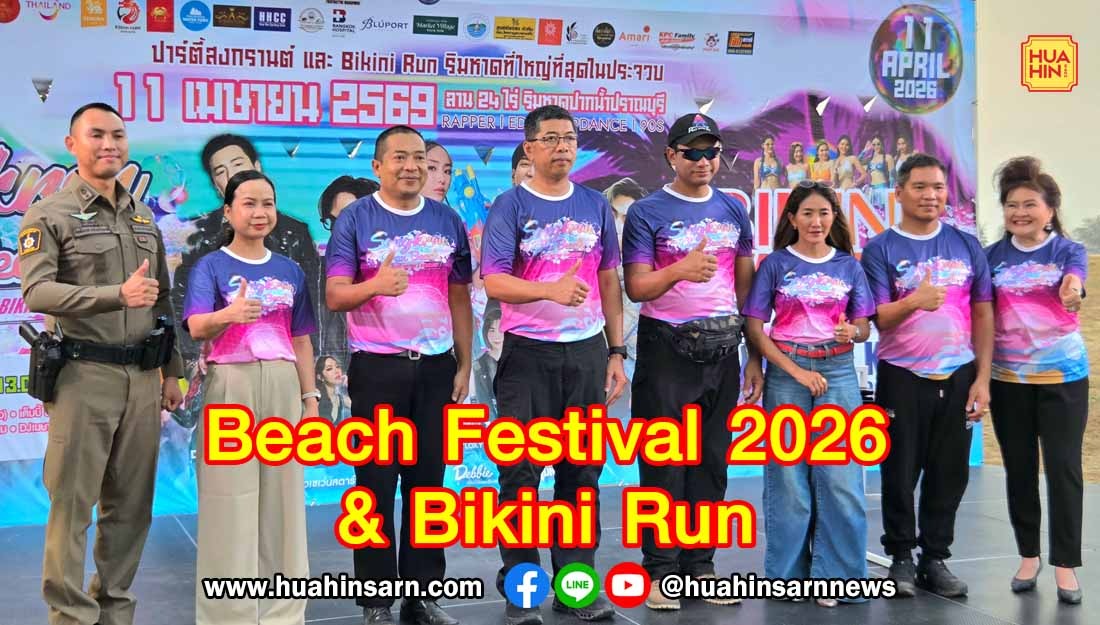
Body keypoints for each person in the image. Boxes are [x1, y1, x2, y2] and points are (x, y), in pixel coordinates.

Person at [18, 102, 184, 625]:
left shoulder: (142, 216)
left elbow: (161, 299)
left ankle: (114, 611)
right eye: (96, 135)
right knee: (72, 506)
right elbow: (38, 291)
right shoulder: (49, 214)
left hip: (143, 378)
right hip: (83, 376)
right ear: (73, 144)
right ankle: (71, 616)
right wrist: (115, 294)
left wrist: (173, 369)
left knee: (131, 508)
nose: (109, 144)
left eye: (117, 134)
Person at [481, 105, 627, 625]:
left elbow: (609, 279)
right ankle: (523, 591)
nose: (561, 146)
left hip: (587, 353)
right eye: (550, 138)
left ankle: (575, 589)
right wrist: (549, 290)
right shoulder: (510, 205)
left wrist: (616, 350)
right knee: (520, 474)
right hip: (527, 355)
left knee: (581, 473)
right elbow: (494, 280)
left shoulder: (594, 204)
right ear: (530, 148)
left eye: (568, 138)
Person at [326, 125, 473, 625]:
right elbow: (335, 295)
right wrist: (376, 285)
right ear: (378, 166)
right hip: (378, 369)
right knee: (375, 486)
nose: (411, 167)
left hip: (435, 369)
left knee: (428, 486)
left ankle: (423, 595)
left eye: (419, 159)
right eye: (399, 158)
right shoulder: (356, 219)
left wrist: (464, 362)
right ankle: (375, 600)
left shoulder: (447, 220)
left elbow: (459, 295)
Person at [621, 112, 763, 610]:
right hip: (667, 349)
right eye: (692, 152)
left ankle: (700, 566)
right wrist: (679, 269)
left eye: (711, 151)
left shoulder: (733, 209)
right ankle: (660, 570)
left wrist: (753, 354)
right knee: (664, 464)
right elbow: (636, 286)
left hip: (723, 349)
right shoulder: (647, 212)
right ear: (671, 156)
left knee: (711, 463)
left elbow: (746, 288)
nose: (703, 161)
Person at [183, 169, 317, 624]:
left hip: (282, 383)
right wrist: (229, 314)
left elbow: (301, 339)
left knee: (284, 501)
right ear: (228, 211)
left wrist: (310, 399)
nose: (260, 213)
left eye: (267, 203)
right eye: (249, 203)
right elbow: (196, 326)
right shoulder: (210, 266)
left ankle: (284, 611)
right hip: (231, 383)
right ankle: (228, 613)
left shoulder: (290, 270)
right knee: (228, 499)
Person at [861, 153, 993, 599]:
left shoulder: (966, 244)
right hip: (902, 374)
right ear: (899, 193)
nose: (930, 195)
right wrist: (914, 301)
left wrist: (982, 378)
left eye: (937, 187)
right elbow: (878, 318)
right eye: (920, 187)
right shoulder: (880, 248)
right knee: (899, 471)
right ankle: (900, 556)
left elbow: (983, 312)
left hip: (958, 374)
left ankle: (934, 559)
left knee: (949, 472)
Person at [743, 181, 873, 608]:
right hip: (787, 374)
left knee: (841, 478)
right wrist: (795, 371)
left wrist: (853, 332)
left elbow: (863, 326)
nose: (816, 222)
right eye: (808, 214)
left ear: (834, 218)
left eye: (824, 213)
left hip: (838, 372)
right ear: (793, 219)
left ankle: (839, 578)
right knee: (788, 479)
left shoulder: (849, 266)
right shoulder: (775, 264)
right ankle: (788, 578)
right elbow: (755, 329)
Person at [985, 157, 1088, 604]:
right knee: (1020, 469)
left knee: (1063, 468)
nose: (1020, 212)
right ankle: (1029, 556)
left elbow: (1075, 282)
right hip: (1008, 379)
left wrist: (1072, 291)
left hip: (1063, 378)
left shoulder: (1067, 250)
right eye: (1012, 205)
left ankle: (1066, 564)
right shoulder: (991, 257)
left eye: (1030, 204)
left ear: (1050, 209)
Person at [171, 134, 321, 364]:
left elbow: (307, 323)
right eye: (220, 171)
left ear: (257, 167)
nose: (231, 175)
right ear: (216, 186)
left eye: (238, 164)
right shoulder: (197, 237)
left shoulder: (295, 235)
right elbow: (186, 313)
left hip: (283, 367)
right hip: (222, 366)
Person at [317, 176, 380, 360]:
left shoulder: (401, 268)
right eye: (333, 221)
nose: (340, 230)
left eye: (348, 220)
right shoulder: (323, 270)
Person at [316, 354, 352, 424]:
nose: (337, 371)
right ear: (320, 377)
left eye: (337, 366)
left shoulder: (341, 399)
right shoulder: (316, 396)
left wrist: (350, 385)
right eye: (329, 369)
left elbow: (362, 409)